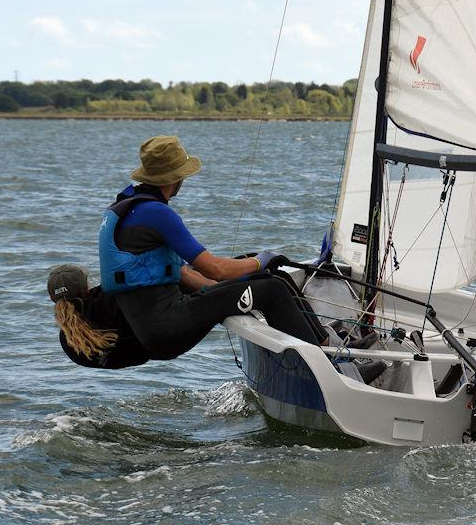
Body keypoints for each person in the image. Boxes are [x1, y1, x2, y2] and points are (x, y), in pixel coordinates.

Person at [98, 135, 348, 358]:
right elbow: (215, 269)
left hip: (154, 328)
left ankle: (324, 343)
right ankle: (329, 366)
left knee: (269, 278)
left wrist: (242, 281)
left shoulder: (129, 209)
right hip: (169, 326)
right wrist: (261, 259)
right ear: (176, 178)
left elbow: (185, 273)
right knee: (272, 289)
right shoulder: (157, 213)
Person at [47, 264, 173, 369]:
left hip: (134, 356)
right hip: (157, 342)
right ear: (86, 288)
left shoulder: (66, 340)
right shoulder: (104, 302)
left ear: (52, 298)